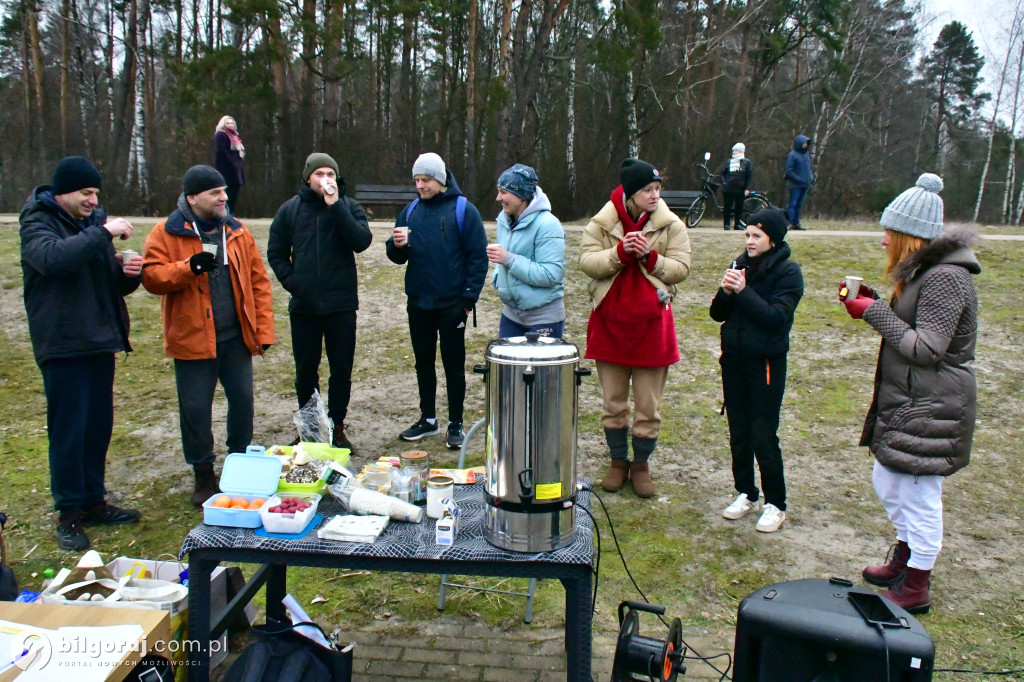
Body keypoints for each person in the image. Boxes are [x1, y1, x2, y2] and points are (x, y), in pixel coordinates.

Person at [842, 173, 979, 614]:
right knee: (889, 479)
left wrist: (874, 312)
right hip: (912, 402)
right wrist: (877, 303)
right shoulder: (925, 273)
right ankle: (905, 556)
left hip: (933, 404)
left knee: (919, 493)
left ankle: (916, 581)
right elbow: (915, 325)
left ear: (908, 236)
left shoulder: (946, 278)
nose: (883, 241)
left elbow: (926, 348)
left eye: (888, 231)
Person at [20, 156, 143, 551]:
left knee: (97, 426)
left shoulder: (92, 226)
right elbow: (52, 260)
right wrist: (104, 233)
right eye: (86, 193)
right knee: (69, 431)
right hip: (62, 343)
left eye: (96, 194)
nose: (93, 200)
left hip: (98, 339)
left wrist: (128, 275)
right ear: (63, 193)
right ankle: (68, 513)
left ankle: (93, 501)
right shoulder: (38, 221)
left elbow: (103, 282)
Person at [142, 165, 275, 507]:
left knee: (243, 402)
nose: (223, 198)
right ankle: (203, 476)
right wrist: (188, 268)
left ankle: (240, 465)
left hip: (235, 338)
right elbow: (152, 277)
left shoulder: (237, 232)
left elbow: (258, 282)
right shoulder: (166, 232)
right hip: (193, 339)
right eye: (215, 193)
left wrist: (262, 329)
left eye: (224, 191)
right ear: (193, 197)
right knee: (196, 409)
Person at [579, 159, 691, 498]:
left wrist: (650, 259)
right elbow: (587, 262)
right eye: (648, 190)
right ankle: (617, 462)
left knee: (648, 405)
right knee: (613, 403)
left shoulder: (671, 226)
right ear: (631, 192)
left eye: (658, 189)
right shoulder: (602, 223)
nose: (655, 195)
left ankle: (641, 465)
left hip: (651, 328)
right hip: (610, 326)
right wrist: (619, 252)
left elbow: (682, 268)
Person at [267, 153, 372, 452]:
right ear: (308, 177)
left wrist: (336, 206)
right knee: (305, 371)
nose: (325, 179)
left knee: (341, 369)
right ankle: (310, 429)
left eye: (330, 174)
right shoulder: (290, 210)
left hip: (341, 305)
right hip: (305, 306)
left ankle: (337, 427)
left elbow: (361, 242)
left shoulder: (349, 206)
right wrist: (294, 283)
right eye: (319, 174)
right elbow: (276, 252)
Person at [710, 208, 804, 533]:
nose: (749, 241)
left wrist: (743, 291)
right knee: (738, 432)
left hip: (765, 365)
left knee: (763, 433)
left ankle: (776, 503)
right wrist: (725, 290)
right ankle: (746, 492)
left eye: (756, 236)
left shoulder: (789, 274)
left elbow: (776, 319)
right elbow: (716, 314)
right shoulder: (740, 265)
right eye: (747, 234)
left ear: (772, 239)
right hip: (733, 361)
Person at [385, 153, 488, 449]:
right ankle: (428, 419)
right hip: (418, 302)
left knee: (453, 365)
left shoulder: (463, 210)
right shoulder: (410, 211)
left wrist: (467, 300)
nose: (420, 185)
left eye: (426, 180)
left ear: (440, 180)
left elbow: (478, 257)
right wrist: (396, 246)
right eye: (417, 180)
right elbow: (396, 256)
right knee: (423, 362)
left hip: (452, 304)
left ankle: (456, 422)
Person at [488, 163, 566, 338]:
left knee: (539, 367)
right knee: (508, 366)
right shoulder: (504, 220)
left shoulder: (548, 225)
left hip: (544, 317)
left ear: (521, 195)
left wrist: (508, 259)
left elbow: (552, 274)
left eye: (503, 192)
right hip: (511, 315)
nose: (498, 198)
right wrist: (498, 278)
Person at [214, 115, 245, 214]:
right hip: (226, 169)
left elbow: (239, 151)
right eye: (228, 123)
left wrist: (239, 163)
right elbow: (222, 151)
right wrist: (232, 162)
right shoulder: (221, 134)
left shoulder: (235, 137)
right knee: (226, 191)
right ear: (223, 124)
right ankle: (225, 212)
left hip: (236, 169)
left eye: (232, 123)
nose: (230, 125)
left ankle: (231, 212)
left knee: (235, 190)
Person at [719, 143, 752, 231]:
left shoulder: (746, 162)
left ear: (741, 151)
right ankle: (726, 224)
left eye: (736, 150)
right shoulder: (728, 162)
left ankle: (737, 224)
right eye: (733, 150)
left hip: (740, 188)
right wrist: (724, 182)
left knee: (739, 207)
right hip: (728, 188)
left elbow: (749, 177)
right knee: (727, 207)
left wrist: (747, 188)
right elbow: (722, 173)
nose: (734, 152)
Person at [784, 134, 814, 230]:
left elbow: (808, 168)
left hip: (805, 184)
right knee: (793, 204)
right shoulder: (792, 155)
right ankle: (789, 223)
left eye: (806, 143)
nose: (806, 144)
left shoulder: (806, 154)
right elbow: (789, 171)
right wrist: (798, 179)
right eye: (804, 142)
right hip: (795, 185)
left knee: (799, 205)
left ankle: (796, 223)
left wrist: (811, 177)